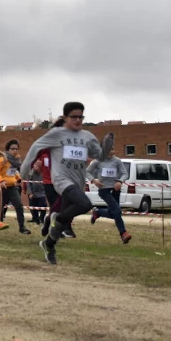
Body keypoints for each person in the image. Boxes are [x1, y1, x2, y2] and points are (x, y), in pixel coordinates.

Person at [20, 102, 107, 265]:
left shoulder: (87, 136)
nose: (78, 120)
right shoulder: (57, 134)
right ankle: (57, 218)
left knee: (63, 222)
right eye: (74, 117)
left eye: (81, 117)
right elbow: (35, 148)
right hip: (61, 179)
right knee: (84, 204)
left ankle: (48, 244)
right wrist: (23, 173)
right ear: (65, 118)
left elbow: (100, 156)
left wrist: (106, 147)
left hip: (77, 181)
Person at [88, 146, 131, 243]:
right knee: (117, 210)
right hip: (104, 190)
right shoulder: (98, 161)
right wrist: (94, 180)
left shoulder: (117, 161)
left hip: (115, 189)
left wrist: (120, 181)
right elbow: (86, 172)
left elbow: (125, 174)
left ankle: (98, 212)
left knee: (114, 213)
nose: (110, 151)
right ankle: (123, 233)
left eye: (112, 149)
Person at [0, 140, 30, 234]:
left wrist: (18, 178)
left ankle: (22, 227)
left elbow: (13, 172)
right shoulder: (3, 159)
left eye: (16, 149)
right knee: (0, 206)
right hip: (2, 187)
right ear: (7, 149)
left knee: (19, 205)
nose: (15, 151)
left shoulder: (16, 160)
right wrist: (0, 181)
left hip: (12, 187)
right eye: (13, 149)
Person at [23, 158, 49, 225]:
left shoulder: (44, 172)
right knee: (33, 206)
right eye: (35, 165)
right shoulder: (30, 172)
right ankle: (35, 219)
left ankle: (41, 219)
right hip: (33, 193)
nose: (36, 167)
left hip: (42, 192)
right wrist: (30, 193)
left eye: (37, 165)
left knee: (43, 205)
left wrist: (46, 192)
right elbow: (28, 183)